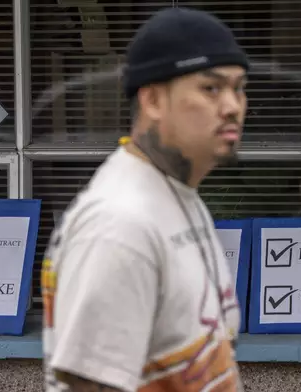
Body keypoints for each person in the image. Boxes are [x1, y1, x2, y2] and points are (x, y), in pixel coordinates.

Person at [41, 7, 249, 392]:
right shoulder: (119, 224)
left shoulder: (176, 195)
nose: (233, 106)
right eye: (211, 88)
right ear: (153, 101)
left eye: (238, 87)